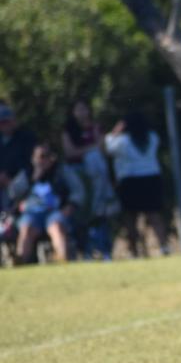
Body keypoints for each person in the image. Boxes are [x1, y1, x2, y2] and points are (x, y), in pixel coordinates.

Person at [105, 112, 170, 257]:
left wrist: (115, 131)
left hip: (130, 181)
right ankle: (164, 247)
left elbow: (108, 147)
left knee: (130, 219)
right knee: (154, 215)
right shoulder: (152, 137)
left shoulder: (122, 141)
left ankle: (134, 251)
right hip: (152, 179)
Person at [8, 142, 84, 264]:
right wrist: (33, 178)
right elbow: (12, 192)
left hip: (55, 211)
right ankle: (21, 260)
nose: (42, 160)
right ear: (33, 158)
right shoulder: (28, 173)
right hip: (32, 212)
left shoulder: (61, 172)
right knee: (26, 229)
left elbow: (78, 191)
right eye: (39, 156)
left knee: (56, 227)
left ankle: (62, 259)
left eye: (45, 156)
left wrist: (70, 206)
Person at [62, 99, 119, 259]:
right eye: (78, 109)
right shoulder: (69, 130)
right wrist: (92, 147)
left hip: (97, 182)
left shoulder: (96, 128)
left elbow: (102, 149)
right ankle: (85, 251)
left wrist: (94, 140)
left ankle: (104, 250)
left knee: (99, 214)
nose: (81, 113)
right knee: (83, 212)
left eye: (84, 109)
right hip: (78, 177)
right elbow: (70, 153)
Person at [0, 101, 36, 202]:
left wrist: (8, 177)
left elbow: (28, 164)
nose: (6, 125)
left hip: (22, 177)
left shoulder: (26, 136)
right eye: (2, 123)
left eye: (7, 122)